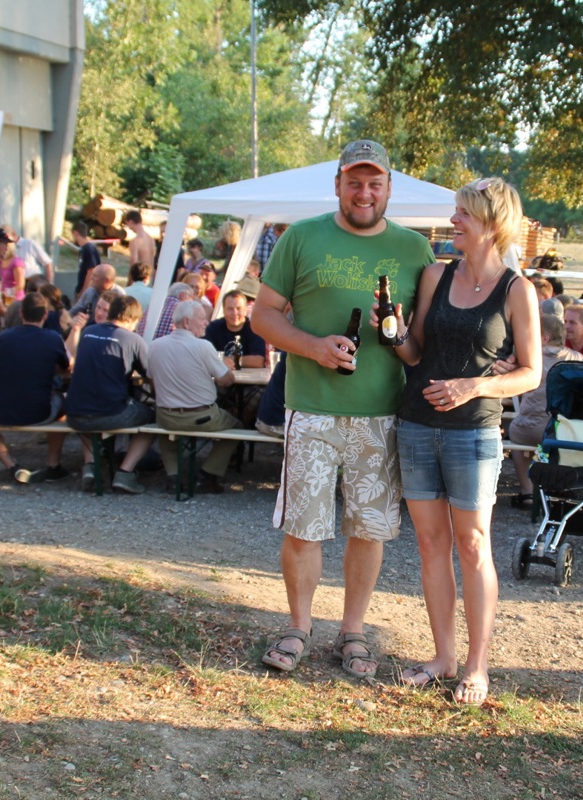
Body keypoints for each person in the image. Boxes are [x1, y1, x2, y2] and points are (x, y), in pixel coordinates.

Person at [251, 138, 435, 680]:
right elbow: (263, 316)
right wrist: (313, 346)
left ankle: (352, 631)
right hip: (310, 408)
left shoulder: (414, 250)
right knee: (304, 527)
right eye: (354, 181)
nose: (364, 192)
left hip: (381, 412)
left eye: (374, 183)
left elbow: (417, 348)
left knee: (369, 529)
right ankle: (299, 626)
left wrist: (395, 332)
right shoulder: (300, 237)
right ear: (337, 185)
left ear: (388, 189)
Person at [386, 176, 541, 705]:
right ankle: (442, 657)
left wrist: (476, 384)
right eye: (455, 212)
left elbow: (531, 374)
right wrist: (395, 336)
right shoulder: (435, 274)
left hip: (474, 432)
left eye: (463, 214)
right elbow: (415, 352)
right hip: (416, 424)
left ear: (493, 223)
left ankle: (477, 666)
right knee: (431, 544)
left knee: (473, 546)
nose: (453, 221)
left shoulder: (518, 289)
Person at [0, 293, 70, 483]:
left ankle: (12, 465)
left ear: (21, 313)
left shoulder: (3, 337)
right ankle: (53, 465)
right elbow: (66, 369)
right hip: (39, 412)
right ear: (44, 316)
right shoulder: (53, 338)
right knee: (63, 409)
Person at [64, 295, 156, 494]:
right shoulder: (133, 339)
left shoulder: (88, 332)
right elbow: (151, 375)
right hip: (109, 414)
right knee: (152, 419)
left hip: (73, 414)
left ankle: (90, 466)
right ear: (132, 319)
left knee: (88, 408)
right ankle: (125, 472)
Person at [148, 300, 241, 494]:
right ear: (187, 322)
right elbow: (226, 380)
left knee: (165, 427)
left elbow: (151, 380)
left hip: (166, 416)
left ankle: (173, 477)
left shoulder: (155, 346)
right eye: (202, 319)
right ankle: (207, 474)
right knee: (237, 427)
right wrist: (222, 368)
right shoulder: (203, 346)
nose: (206, 322)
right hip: (201, 418)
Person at [507, 312, 581, 508]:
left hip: (529, 428)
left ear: (544, 338)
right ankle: (559, 489)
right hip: (563, 431)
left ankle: (527, 491)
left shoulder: (529, 359)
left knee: (516, 430)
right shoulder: (576, 358)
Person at [205, 288, 267, 426]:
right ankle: (227, 425)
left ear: (246, 310)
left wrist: (232, 360)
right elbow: (204, 354)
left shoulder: (254, 327)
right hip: (220, 381)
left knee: (261, 393)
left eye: (239, 308)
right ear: (223, 310)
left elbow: (258, 361)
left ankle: (235, 425)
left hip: (249, 384)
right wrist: (221, 361)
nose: (235, 313)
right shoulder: (213, 328)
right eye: (230, 309)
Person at [58, 220, 100, 297]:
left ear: (75, 233)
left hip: (86, 291)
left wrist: (84, 291)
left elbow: (91, 271)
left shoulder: (89, 249)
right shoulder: (83, 249)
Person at [0, 241, 25, 305]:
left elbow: (20, 285)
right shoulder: (0, 261)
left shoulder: (16, 262)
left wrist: (8, 293)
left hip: (15, 299)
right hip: (3, 297)